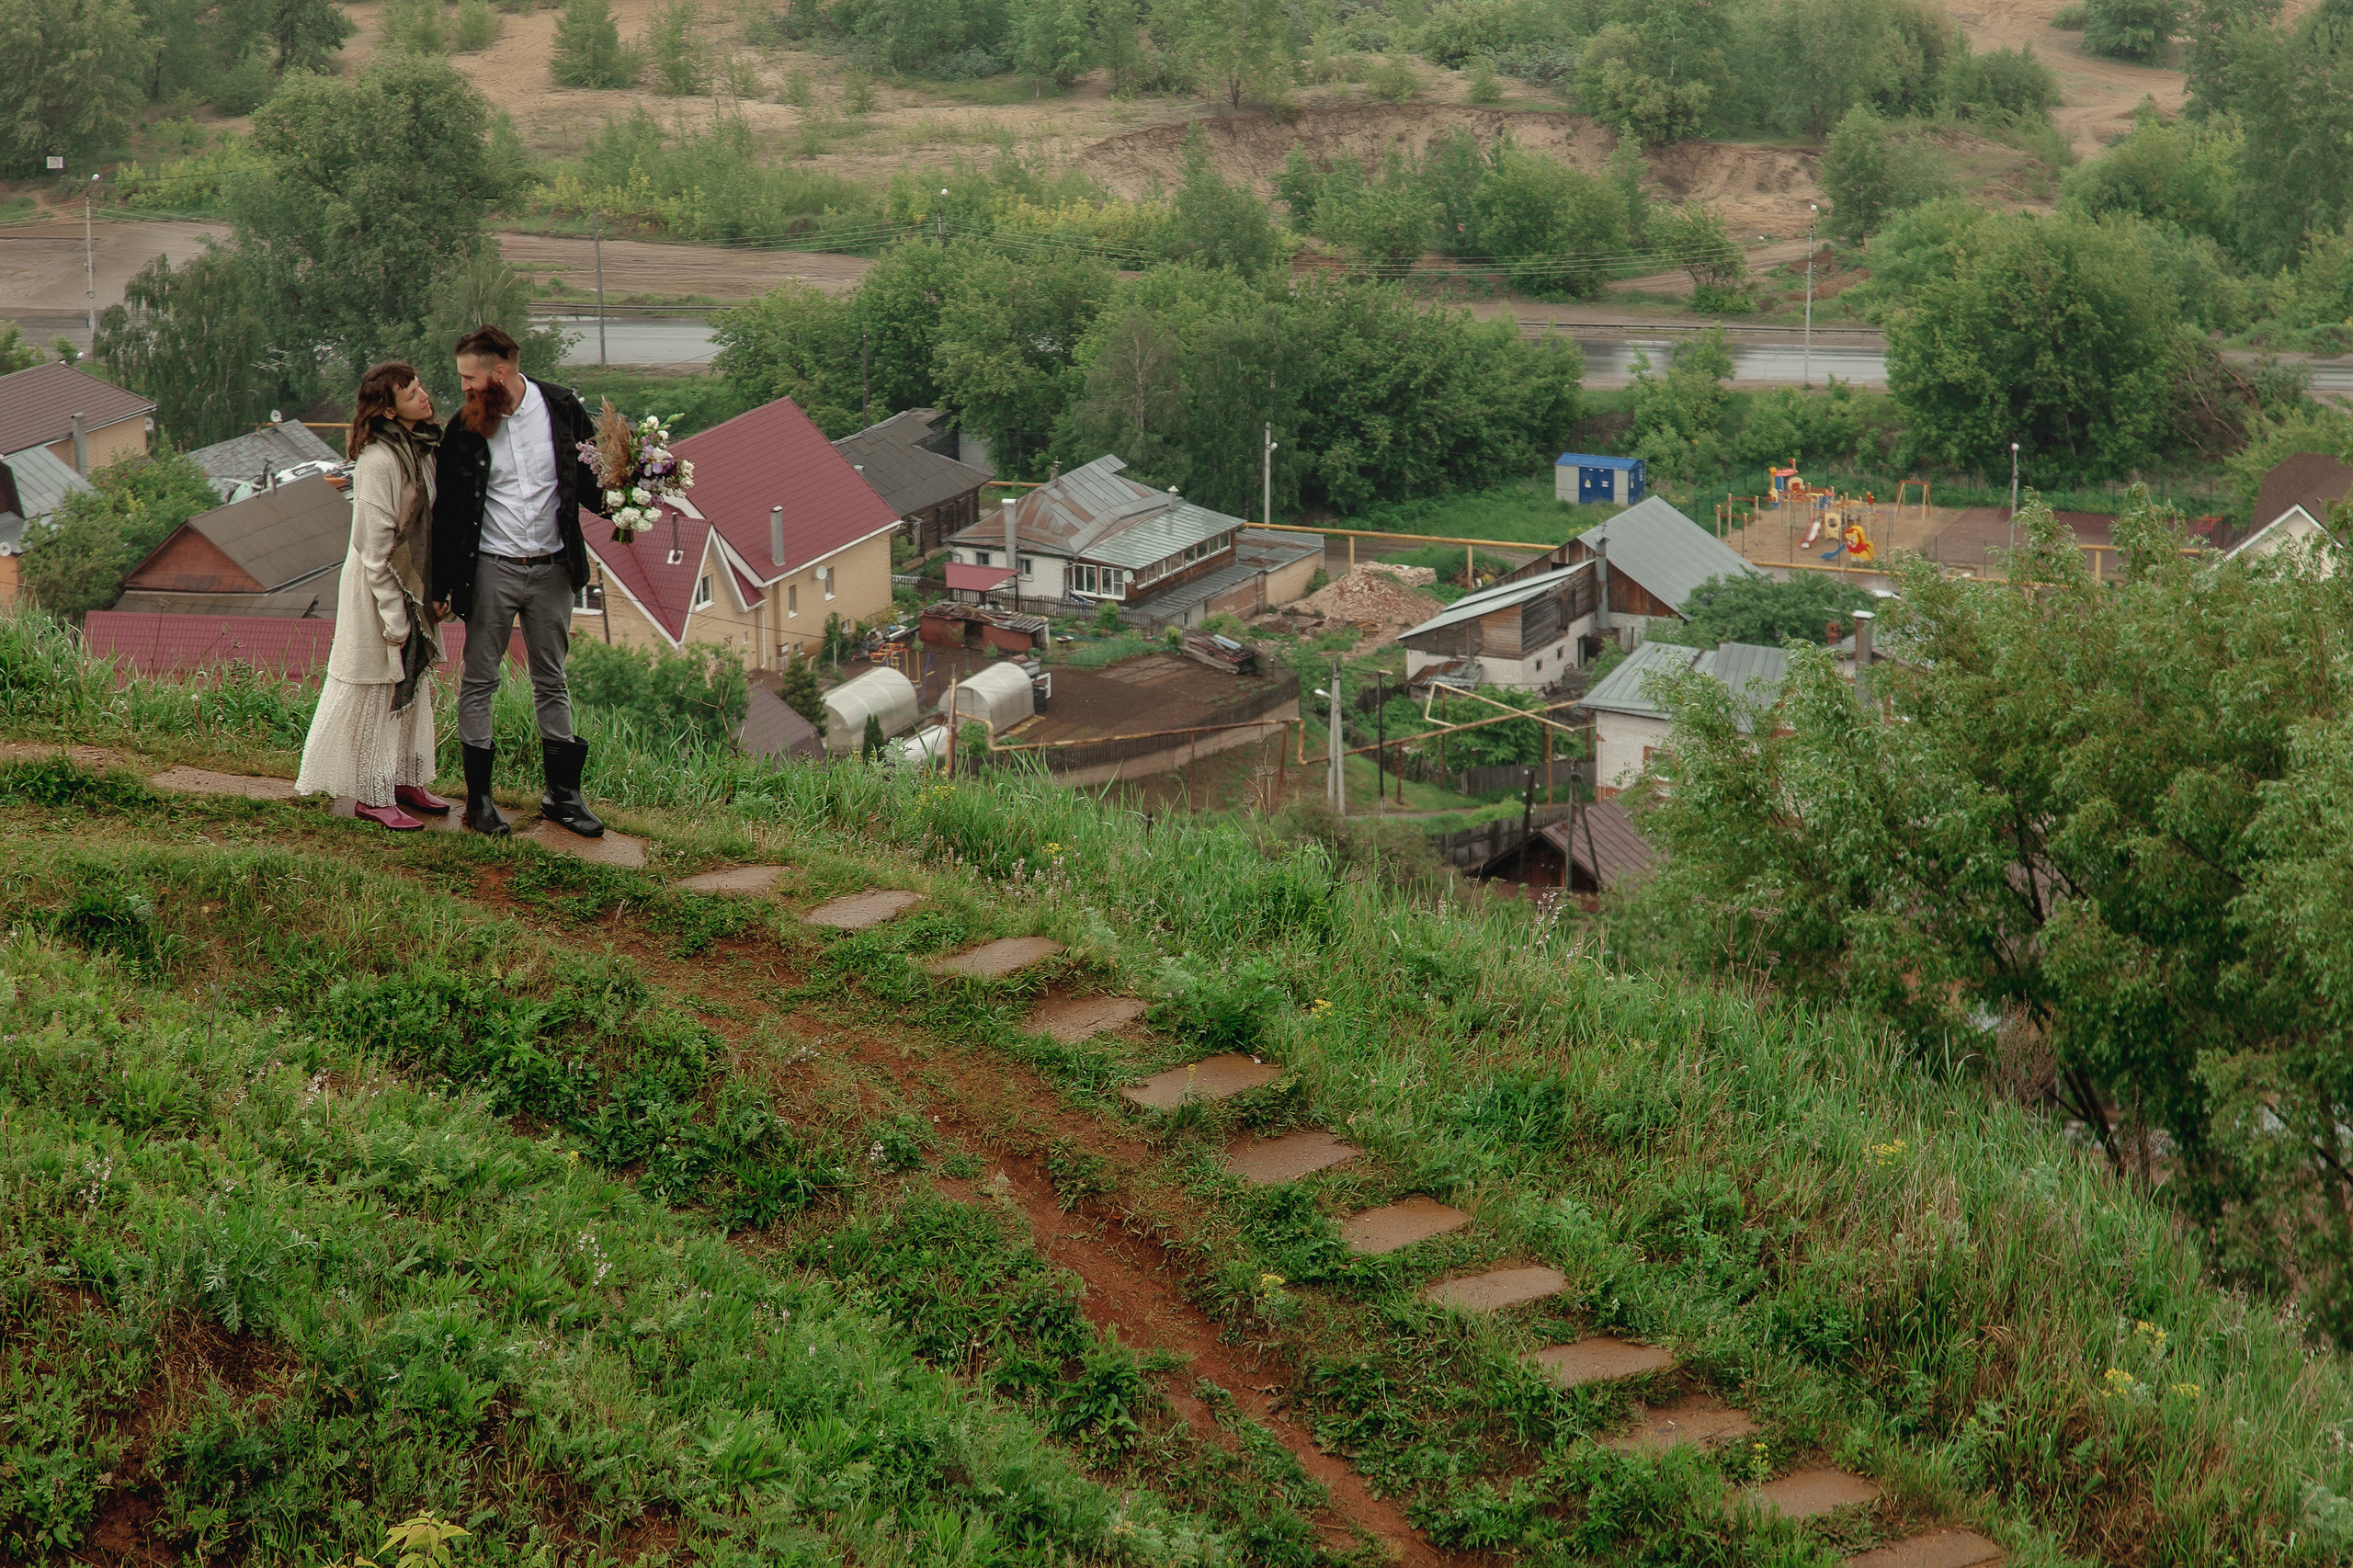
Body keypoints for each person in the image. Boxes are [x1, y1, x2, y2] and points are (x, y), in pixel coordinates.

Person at [432, 324, 605, 838]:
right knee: (479, 680)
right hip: (490, 569)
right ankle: (479, 803)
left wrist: (632, 497)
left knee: (552, 679)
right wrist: (441, 587)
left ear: (499, 374)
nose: (463, 386)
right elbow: (449, 514)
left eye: (469, 376)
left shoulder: (561, 407)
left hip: (554, 567)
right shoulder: (464, 429)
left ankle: (563, 797)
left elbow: (591, 478)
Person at [295, 361, 454, 831]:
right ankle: (372, 794)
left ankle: (404, 778)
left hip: (414, 585)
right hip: (378, 592)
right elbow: (373, 547)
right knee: (378, 685)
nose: (424, 396)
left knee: (412, 680)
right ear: (387, 410)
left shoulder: (422, 448)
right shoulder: (379, 461)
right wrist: (394, 615)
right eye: (411, 393)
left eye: (420, 385)